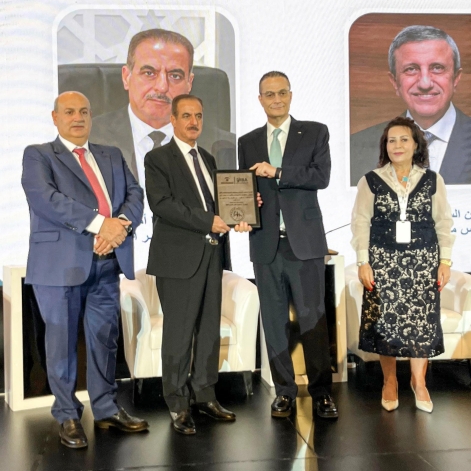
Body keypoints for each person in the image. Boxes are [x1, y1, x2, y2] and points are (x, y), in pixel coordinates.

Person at [21, 92, 148, 449]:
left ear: (91, 116)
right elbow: (46, 200)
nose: (77, 118)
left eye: (84, 112)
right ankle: (67, 415)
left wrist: (119, 226)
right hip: (58, 267)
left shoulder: (111, 154)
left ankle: (106, 409)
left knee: (105, 340)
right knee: (61, 343)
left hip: (107, 263)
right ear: (55, 117)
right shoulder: (39, 155)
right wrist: (100, 225)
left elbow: (135, 194)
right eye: (69, 112)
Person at [144, 94, 251, 435]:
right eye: (187, 116)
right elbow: (161, 204)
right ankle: (177, 402)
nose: (194, 122)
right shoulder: (157, 158)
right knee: (178, 335)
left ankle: (205, 394)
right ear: (173, 120)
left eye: (199, 116)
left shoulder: (207, 158)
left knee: (208, 331)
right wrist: (208, 221)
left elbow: (221, 203)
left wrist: (245, 210)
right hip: (178, 260)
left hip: (211, 255)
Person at [238, 71, 338, 420]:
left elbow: (320, 177)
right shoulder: (248, 141)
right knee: (274, 321)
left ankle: (322, 393)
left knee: (314, 320)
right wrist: (247, 208)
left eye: (282, 93)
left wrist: (277, 172)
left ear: (291, 95)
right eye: (269, 94)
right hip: (266, 245)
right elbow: (245, 188)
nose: (276, 99)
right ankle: (284, 392)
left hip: (305, 244)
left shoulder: (314, 132)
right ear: (260, 100)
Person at [351, 116, 455, 413]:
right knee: (386, 323)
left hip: (423, 262)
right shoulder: (370, 180)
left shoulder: (433, 180)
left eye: (404, 139)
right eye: (391, 140)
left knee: (421, 323)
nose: (397, 145)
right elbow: (360, 223)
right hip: (383, 262)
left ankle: (418, 382)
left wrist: (445, 260)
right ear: (385, 146)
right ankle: (390, 381)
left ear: (416, 145)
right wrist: (363, 261)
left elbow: (443, 222)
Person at [90, 28, 235, 183]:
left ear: (189, 83)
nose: (162, 87)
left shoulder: (228, 148)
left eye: (175, 76)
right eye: (149, 73)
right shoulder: (87, 138)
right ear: (126, 77)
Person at [350, 25, 471, 185]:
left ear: (456, 78)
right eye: (411, 69)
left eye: (437, 68)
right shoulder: (356, 150)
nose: (425, 83)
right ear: (395, 82)